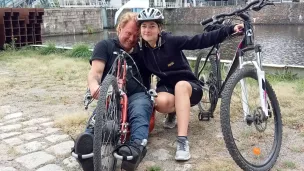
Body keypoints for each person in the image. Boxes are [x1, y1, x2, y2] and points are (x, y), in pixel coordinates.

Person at [137, 8, 244, 161]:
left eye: (152, 26)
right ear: (140, 29)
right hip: (167, 88)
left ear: (160, 28)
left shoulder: (171, 41)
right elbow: (143, 77)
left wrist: (229, 29)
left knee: (180, 86)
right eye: (144, 26)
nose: (147, 30)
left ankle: (182, 141)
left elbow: (199, 40)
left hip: (189, 87)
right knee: (159, 102)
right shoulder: (142, 50)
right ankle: (174, 112)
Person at [73, 12, 153, 171]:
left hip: (137, 94)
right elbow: (95, 73)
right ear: (119, 28)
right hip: (111, 94)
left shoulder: (143, 51)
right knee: (101, 114)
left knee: (139, 110)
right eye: (128, 33)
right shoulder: (105, 46)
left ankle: (135, 149)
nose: (132, 39)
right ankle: (87, 145)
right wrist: (95, 87)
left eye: (136, 36)